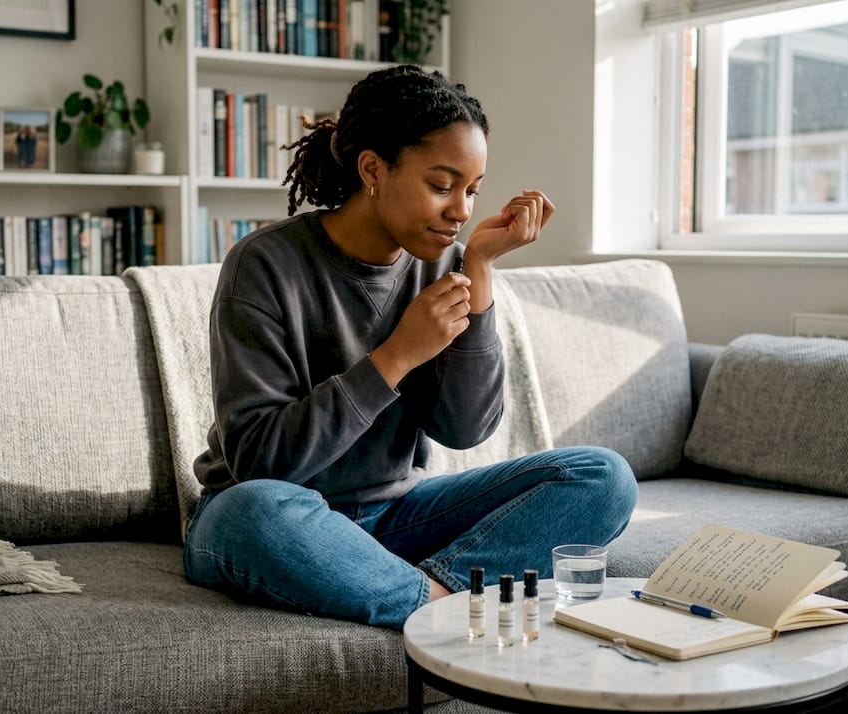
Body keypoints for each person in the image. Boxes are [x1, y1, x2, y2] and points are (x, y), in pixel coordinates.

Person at [183, 64, 637, 629]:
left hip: (394, 515)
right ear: (373, 168)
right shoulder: (265, 265)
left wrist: (480, 268)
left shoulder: (444, 265)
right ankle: (442, 610)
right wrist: (397, 355)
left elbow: (464, 429)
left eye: (472, 190)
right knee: (249, 513)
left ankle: (432, 596)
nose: (463, 212)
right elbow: (258, 464)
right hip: (280, 514)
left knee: (602, 476)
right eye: (442, 186)